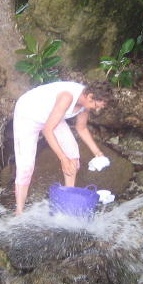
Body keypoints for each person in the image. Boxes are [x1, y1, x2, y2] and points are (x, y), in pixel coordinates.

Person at [12, 80, 111, 215]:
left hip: (51, 116)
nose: (97, 109)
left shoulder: (86, 104)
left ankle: (67, 202)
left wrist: (98, 153)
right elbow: (48, 130)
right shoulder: (67, 97)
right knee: (26, 166)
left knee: (72, 154)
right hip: (28, 114)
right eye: (96, 105)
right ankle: (19, 211)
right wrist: (62, 158)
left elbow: (81, 128)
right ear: (90, 96)